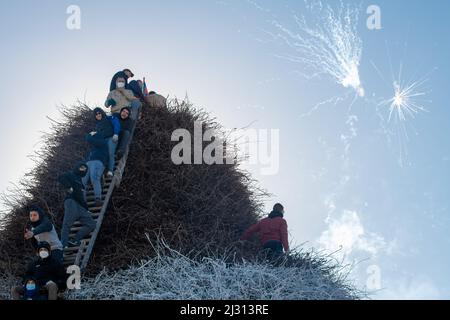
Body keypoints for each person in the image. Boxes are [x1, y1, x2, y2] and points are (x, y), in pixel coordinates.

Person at [59, 162, 96, 248]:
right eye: (81, 167)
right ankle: (63, 245)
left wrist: (86, 209)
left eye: (85, 169)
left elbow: (81, 198)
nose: (83, 169)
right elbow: (61, 177)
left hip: (80, 207)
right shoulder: (71, 174)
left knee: (91, 224)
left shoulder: (80, 181)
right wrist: (69, 187)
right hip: (71, 202)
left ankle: (75, 240)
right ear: (77, 167)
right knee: (67, 224)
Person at [93, 108, 120, 177]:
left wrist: (116, 133)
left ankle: (110, 170)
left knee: (110, 152)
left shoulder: (109, 118)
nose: (98, 115)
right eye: (96, 114)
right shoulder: (97, 126)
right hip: (103, 141)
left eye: (99, 113)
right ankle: (101, 173)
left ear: (102, 113)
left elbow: (116, 124)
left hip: (111, 138)